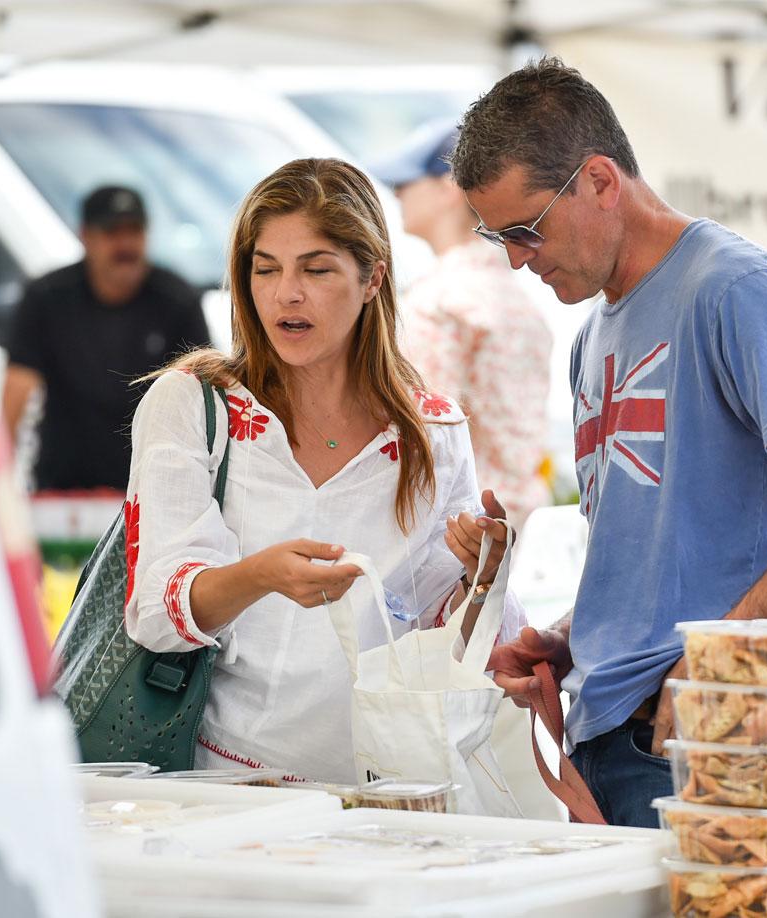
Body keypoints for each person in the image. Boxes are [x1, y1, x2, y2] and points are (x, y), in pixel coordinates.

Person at [451, 58, 767, 827]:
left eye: (526, 229)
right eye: (497, 237)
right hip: (624, 737)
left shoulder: (731, 287)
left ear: (600, 180)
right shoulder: (593, 329)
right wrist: (573, 640)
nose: (515, 258)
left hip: (713, 743)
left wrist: (718, 664)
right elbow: (673, 548)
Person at [123, 158, 525, 781]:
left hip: (384, 795)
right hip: (219, 788)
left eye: (316, 269)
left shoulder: (433, 433)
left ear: (372, 279)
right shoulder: (193, 404)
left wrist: (486, 577)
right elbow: (156, 610)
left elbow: (453, 646)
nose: (287, 292)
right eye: (265, 269)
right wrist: (259, 575)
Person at [374, 121, 554, 530]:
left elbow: (419, 437)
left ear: (449, 187)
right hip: (522, 527)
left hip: (461, 538)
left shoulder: (439, 302)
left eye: (406, 181)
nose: (397, 193)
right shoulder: (518, 298)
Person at [2, 185, 210, 491]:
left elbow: (202, 398)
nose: (125, 245)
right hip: (64, 494)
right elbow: (16, 389)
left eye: (134, 231)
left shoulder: (177, 300)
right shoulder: (47, 298)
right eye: (112, 232)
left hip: (153, 491)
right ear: (86, 236)